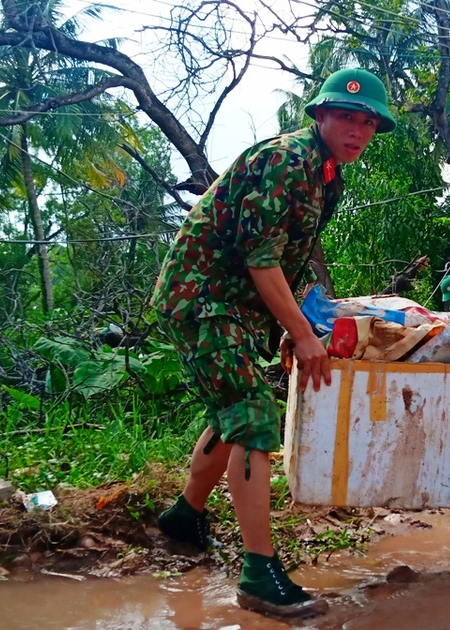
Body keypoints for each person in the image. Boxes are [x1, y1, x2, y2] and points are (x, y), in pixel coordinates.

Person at [150, 68, 395, 619]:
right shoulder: (290, 160)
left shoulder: (326, 173)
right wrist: (302, 336)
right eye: (347, 117)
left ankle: (184, 517)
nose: (358, 130)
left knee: (235, 411)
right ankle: (259, 573)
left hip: (231, 303)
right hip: (205, 299)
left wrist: (312, 319)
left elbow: (284, 257)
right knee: (253, 415)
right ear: (320, 116)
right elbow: (260, 259)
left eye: (368, 122)